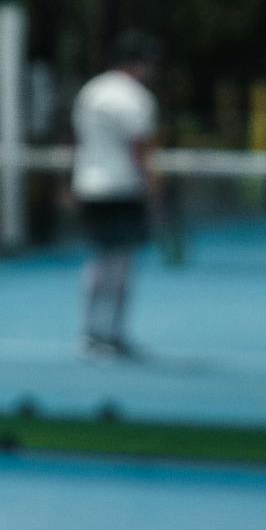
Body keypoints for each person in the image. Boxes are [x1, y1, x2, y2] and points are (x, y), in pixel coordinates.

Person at [71, 34, 159, 358]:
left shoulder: (90, 91)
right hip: (123, 187)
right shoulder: (137, 98)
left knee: (98, 260)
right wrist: (153, 187)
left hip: (89, 185)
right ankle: (113, 333)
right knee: (121, 264)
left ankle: (90, 332)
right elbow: (141, 148)